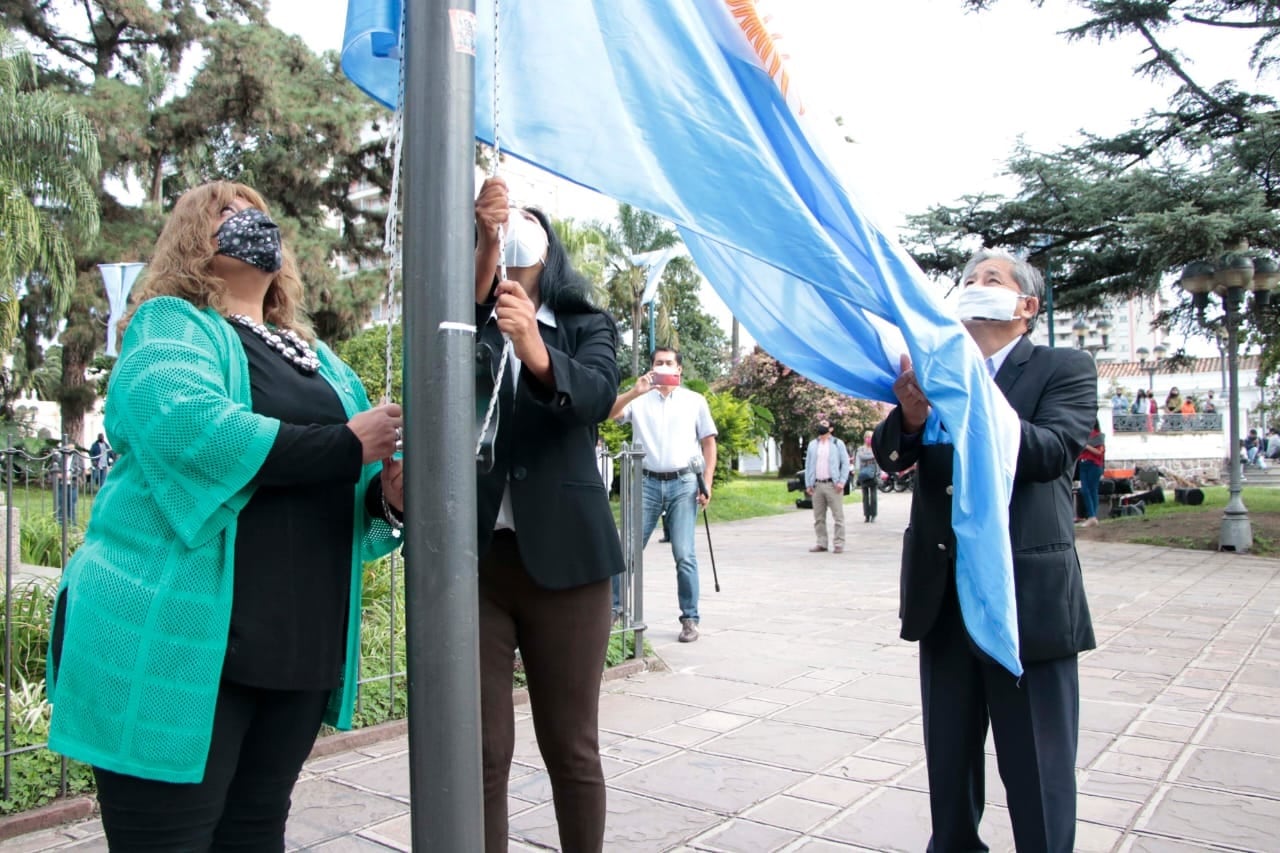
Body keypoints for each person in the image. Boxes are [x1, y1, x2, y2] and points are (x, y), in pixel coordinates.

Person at [45, 181, 406, 850]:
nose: (250, 220)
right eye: (226, 212)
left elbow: (340, 492)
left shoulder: (322, 361)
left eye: (257, 210)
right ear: (192, 241)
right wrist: (345, 442)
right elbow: (194, 430)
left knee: (254, 832)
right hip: (183, 642)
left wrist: (390, 494)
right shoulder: (168, 324)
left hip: (293, 651)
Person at [873, 248, 1096, 852]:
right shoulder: (937, 369)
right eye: (968, 280)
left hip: (1026, 600)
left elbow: (1052, 452)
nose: (974, 287)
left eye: (990, 280)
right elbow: (893, 456)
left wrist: (973, 399)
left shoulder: (1061, 367)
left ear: (1026, 305)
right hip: (943, 596)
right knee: (949, 769)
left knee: (1037, 771)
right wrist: (914, 419)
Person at [474, 177, 625, 852]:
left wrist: (533, 345)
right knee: (480, 751)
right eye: (507, 222)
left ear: (550, 246)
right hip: (477, 564)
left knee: (571, 745)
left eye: (529, 222)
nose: (516, 229)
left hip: (567, 566)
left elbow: (593, 393)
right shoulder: (466, 314)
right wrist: (483, 247)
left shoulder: (589, 324)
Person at [610, 346, 718, 644]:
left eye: (669, 363)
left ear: (679, 370)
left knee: (684, 553)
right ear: (652, 367)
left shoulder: (695, 401)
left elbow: (709, 444)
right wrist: (634, 392)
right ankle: (614, 609)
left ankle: (690, 618)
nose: (664, 367)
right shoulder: (640, 398)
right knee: (627, 549)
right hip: (646, 481)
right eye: (659, 363)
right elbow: (610, 414)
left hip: (684, 482)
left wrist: (705, 482)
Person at [803, 419, 850, 552]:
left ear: (831, 429)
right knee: (818, 517)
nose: (820, 427)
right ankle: (821, 542)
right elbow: (808, 465)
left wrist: (841, 481)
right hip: (817, 484)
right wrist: (808, 483)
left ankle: (839, 543)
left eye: (824, 425)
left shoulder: (837, 443)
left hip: (832, 485)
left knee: (838, 516)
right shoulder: (813, 444)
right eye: (820, 424)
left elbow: (845, 463)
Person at [1077, 420, 1105, 527]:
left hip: (1093, 464)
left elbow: (1099, 452)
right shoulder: (1083, 435)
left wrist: (1087, 446)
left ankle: (1092, 516)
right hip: (1083, 464)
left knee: (1091, 490)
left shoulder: (1098, 436)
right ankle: (1092, 516)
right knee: (1085, 490)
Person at [51, 447, 85, 526]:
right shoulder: (60, 458)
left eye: (71, 448)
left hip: (72, 484)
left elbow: (81, 471)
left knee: (71, 504)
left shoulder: (78, 458)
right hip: (61, 484)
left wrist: (71, 476)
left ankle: (72, 524)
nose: (69, 450)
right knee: (60, 504)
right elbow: (54, 469)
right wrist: (58, 475)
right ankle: (59, 523)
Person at [854, 431, 879, 522]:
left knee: (873, 496)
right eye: (867, 437)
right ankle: (867, 515)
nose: (869, 439)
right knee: (865, 496)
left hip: (873, 474)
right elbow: (860, 459)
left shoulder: (876, 448)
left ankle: (873, 514)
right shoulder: (861, 449)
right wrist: (856, 473)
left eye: (870, 437)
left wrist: (878, 473)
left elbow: (878, 461)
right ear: (864, 438)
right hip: (863, 474)